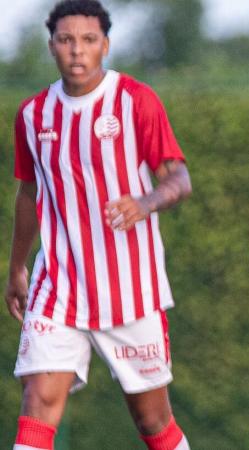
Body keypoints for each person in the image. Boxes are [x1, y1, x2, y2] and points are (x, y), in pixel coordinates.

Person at [6, 1, 192, 449]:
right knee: (38, 402)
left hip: (131, 289)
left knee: (153, 422)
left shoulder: (135, 100)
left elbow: (179, 178)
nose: (77, 50)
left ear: (105, 45)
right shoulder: (33, 116)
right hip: (59, 286)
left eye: (88, 40)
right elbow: (30, 195)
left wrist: (146, 202)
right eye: (66, 40)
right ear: (52, 46)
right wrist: (16, 268)